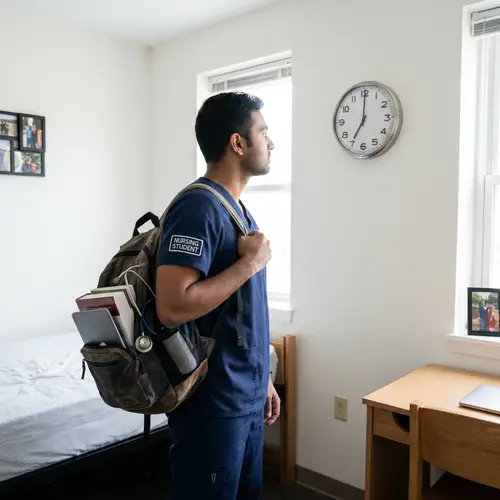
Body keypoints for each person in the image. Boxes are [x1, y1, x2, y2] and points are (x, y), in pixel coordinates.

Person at [155, 91, 279, 500]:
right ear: (237, 143)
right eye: (264, 132)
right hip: (213, 404)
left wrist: (264, 382)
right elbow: (172, 306)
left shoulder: (238, 211)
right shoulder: (198, 207)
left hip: (245, 393)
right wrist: (249, 265)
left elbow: (239, 315)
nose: (271, 143)